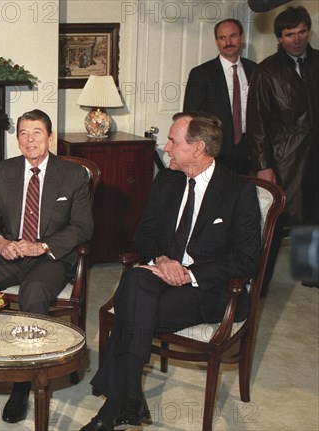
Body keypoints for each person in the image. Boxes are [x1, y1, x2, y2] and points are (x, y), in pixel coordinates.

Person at [80, 112, 261, 431]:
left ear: (197, 148)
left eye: (173, 141)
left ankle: (116, 404)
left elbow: (246, 260)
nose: (165, 148)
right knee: (136, 282)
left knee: (131, 305)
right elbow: (145, 234)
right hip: (163, 275)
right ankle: (128, 400)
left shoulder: (238, 191)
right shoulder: (168, 180)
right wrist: (163, 260)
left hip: (210, 289)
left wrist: (190, 275)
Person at [0, 109, 94, 423]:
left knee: (33, 292)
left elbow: (82, 227)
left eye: (36, 132)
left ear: (49, 137)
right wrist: (0, 241)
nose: (29, 140)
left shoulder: (73, 175)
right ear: (16, 138)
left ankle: (22, 383)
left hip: (50, 257)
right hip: (11, 251)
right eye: (23, 133)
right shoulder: (3, 171)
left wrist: (43, 245)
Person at [247, 5, 319, 289]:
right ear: (279, 38)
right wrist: (263, 166)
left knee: (312, 216)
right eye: (290, 34)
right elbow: (256, 123)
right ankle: (259, 283)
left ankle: (310, 273)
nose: (298, 39)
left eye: (302, 31)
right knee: (274, 222)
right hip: (283, 157)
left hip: (315, 154)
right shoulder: (266, 71)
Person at [184, 18, 256, 174]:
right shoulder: (201, 74)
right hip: (215, 152)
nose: (228, 42)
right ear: (217, 41)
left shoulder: (255, 70)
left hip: (248, 151)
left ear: (241, 37)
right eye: (222, 38)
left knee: (244, 196)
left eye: (233, 36)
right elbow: (191, 117)